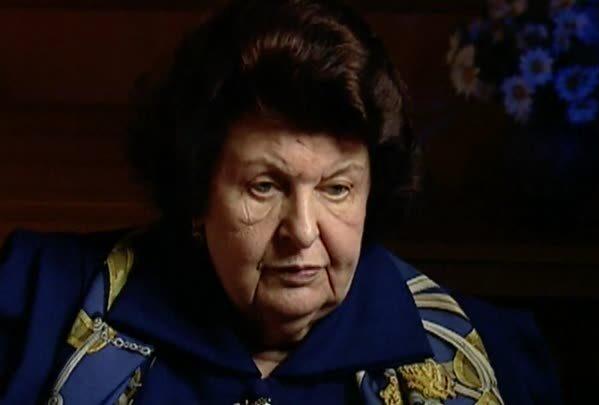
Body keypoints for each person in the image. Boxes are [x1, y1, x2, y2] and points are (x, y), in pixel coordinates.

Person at [0, 0, 562, 403]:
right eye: (264, 187)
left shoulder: (493, 355)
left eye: (337, 188)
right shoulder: (38, 301)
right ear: (197, 191)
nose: (303, 231)